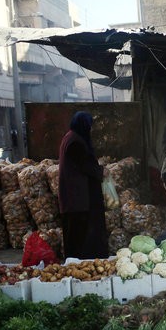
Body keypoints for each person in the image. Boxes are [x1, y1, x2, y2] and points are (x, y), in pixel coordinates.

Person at [58, 111, 109, 259]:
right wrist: (101, 171)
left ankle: (79, 261)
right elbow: (84, 165)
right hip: (77, 198)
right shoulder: (75, 142)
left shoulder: (71, 137)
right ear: (83, 125)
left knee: (77, 234)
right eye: (89, 126)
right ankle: (78, 263)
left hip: (76, 197)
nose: (91, 130)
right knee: (79, 235)